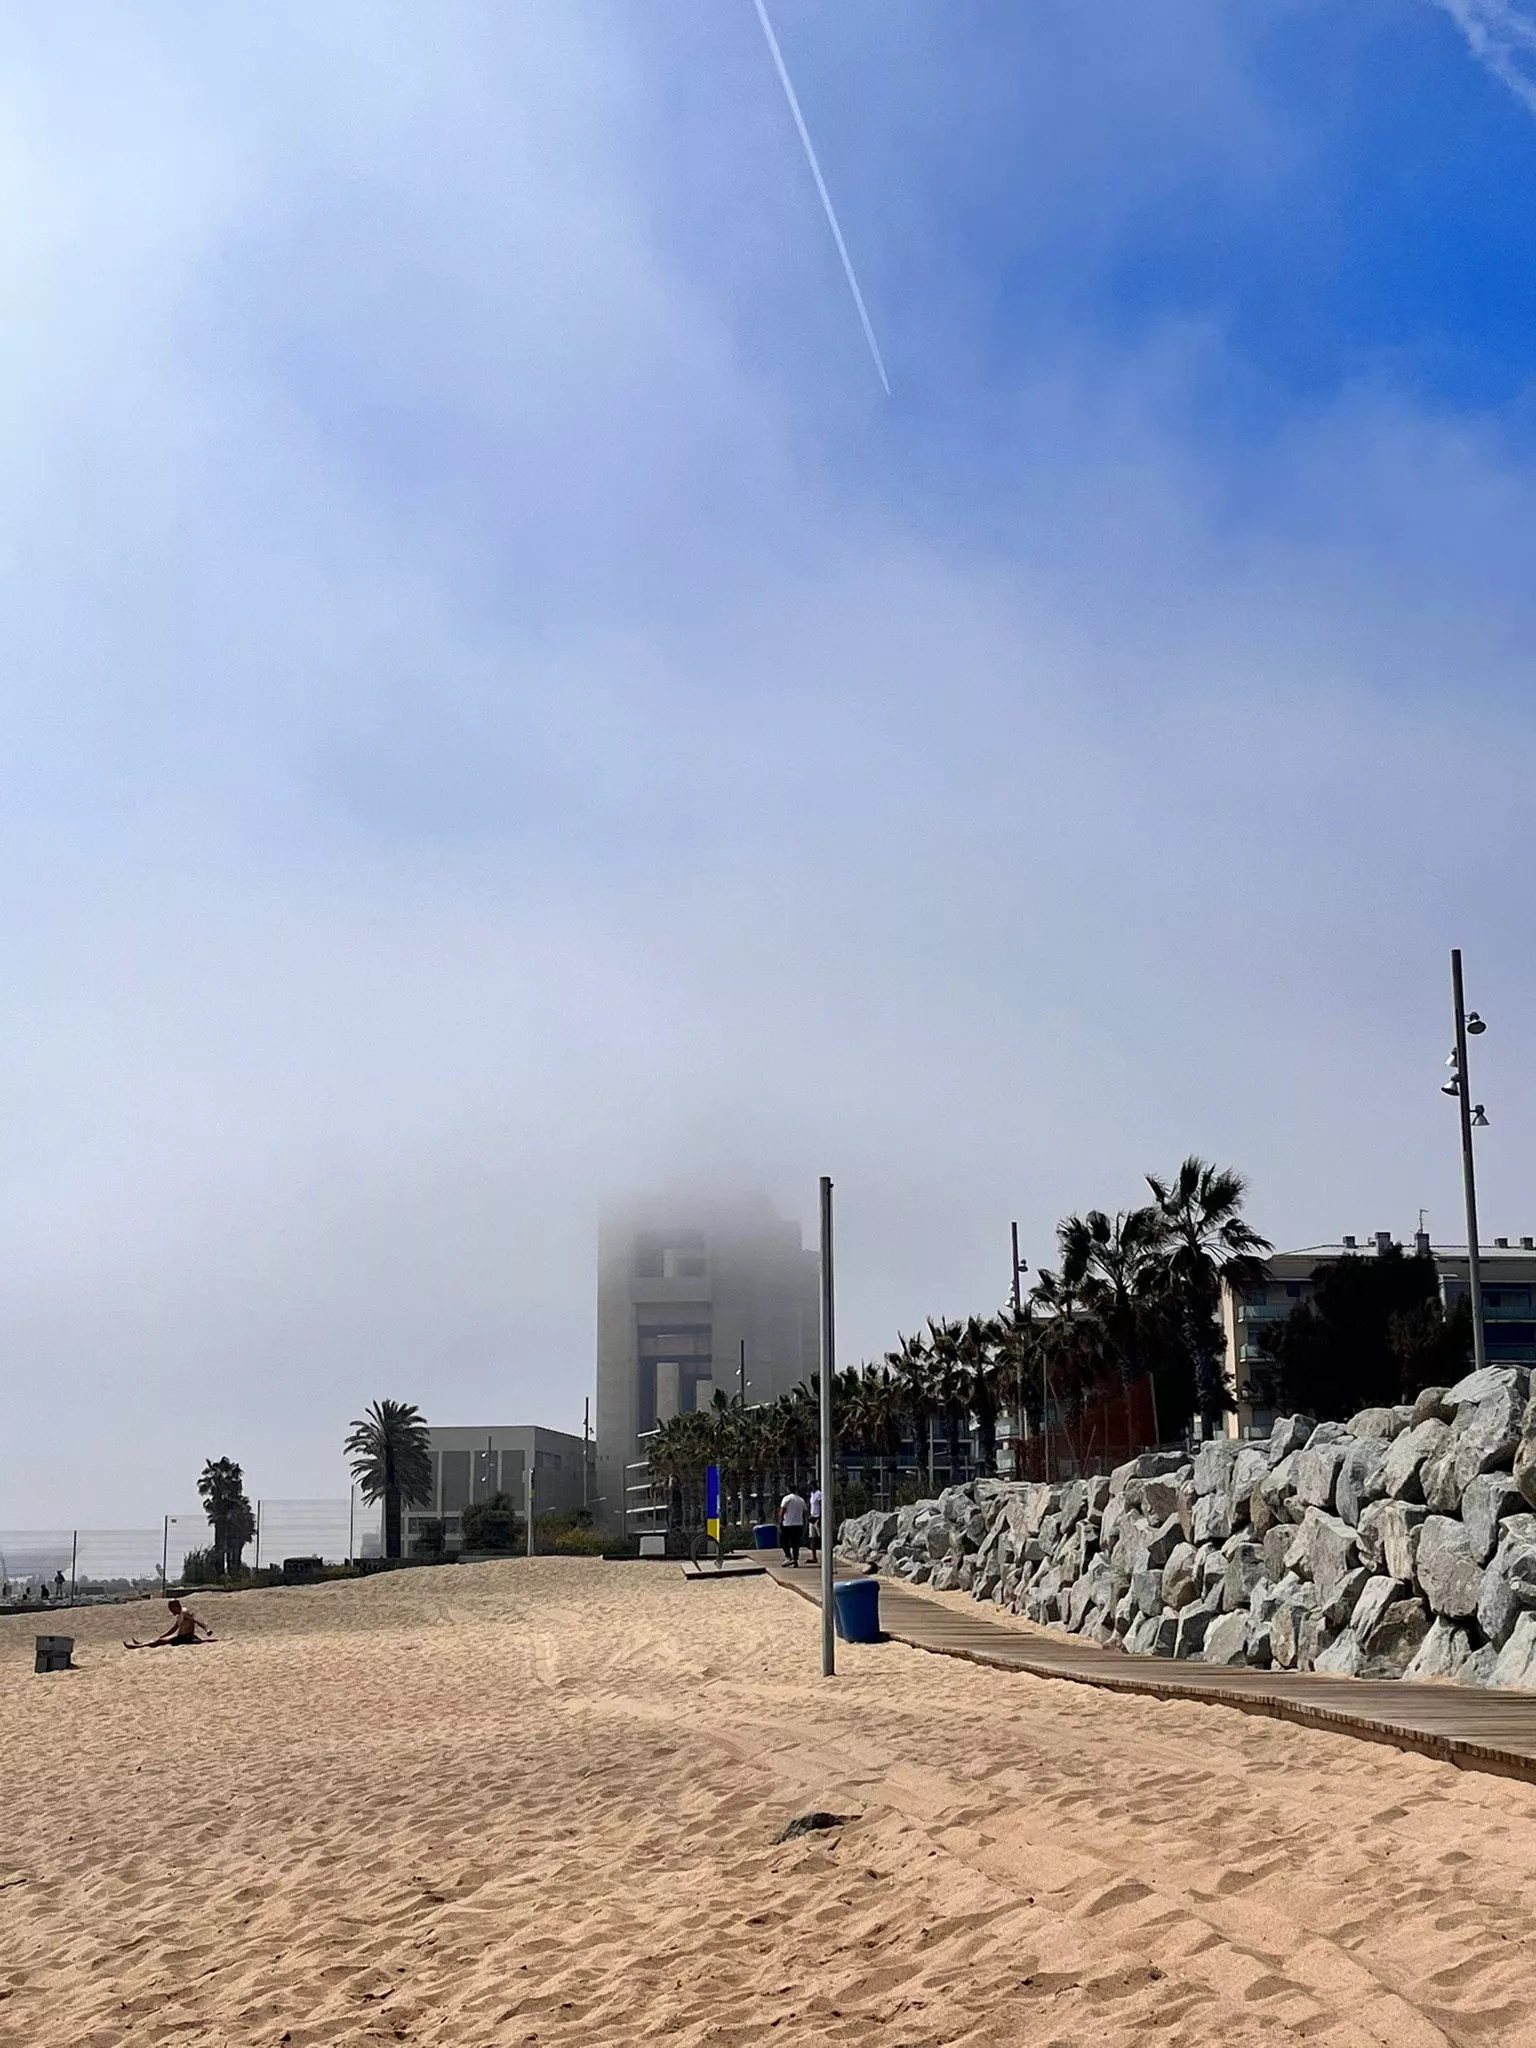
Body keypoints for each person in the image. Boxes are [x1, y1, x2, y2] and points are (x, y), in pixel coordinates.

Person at [125, 1598, 214, 1650]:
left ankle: (138, 1646)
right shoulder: (180, 1615)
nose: (170, 1611)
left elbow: (196, 1619)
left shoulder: (185, 1612)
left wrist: (207, 1629)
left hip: (185, 1639)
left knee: (159, 1642)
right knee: (161, 1640)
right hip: (181, 1638)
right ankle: (141, 1643)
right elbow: (174, 1628)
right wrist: (163, 1635)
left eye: (171, 1608)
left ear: (176, 1606)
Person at [778, 1487, 808, 1567]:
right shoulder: (801, 1500)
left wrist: (780, 1521)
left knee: (784, 1541)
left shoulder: (787, 1498)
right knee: (795, 1543)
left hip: (788, 1524)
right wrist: (805, 1524)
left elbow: (782, 1510)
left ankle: (788, 1556)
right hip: (798, 1524)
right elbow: (805, 1513)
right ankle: (795, 1559)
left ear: (788, 1490)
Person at [807, 1482, 823, 1563]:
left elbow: (821, 1506)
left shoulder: (819, 1494)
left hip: (817, 1517)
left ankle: (825, 1556)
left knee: (821, 1537)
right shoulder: (812, 1494)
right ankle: (814, 1557)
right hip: (812, 1517)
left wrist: (820, 1518)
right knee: (812, 1538)